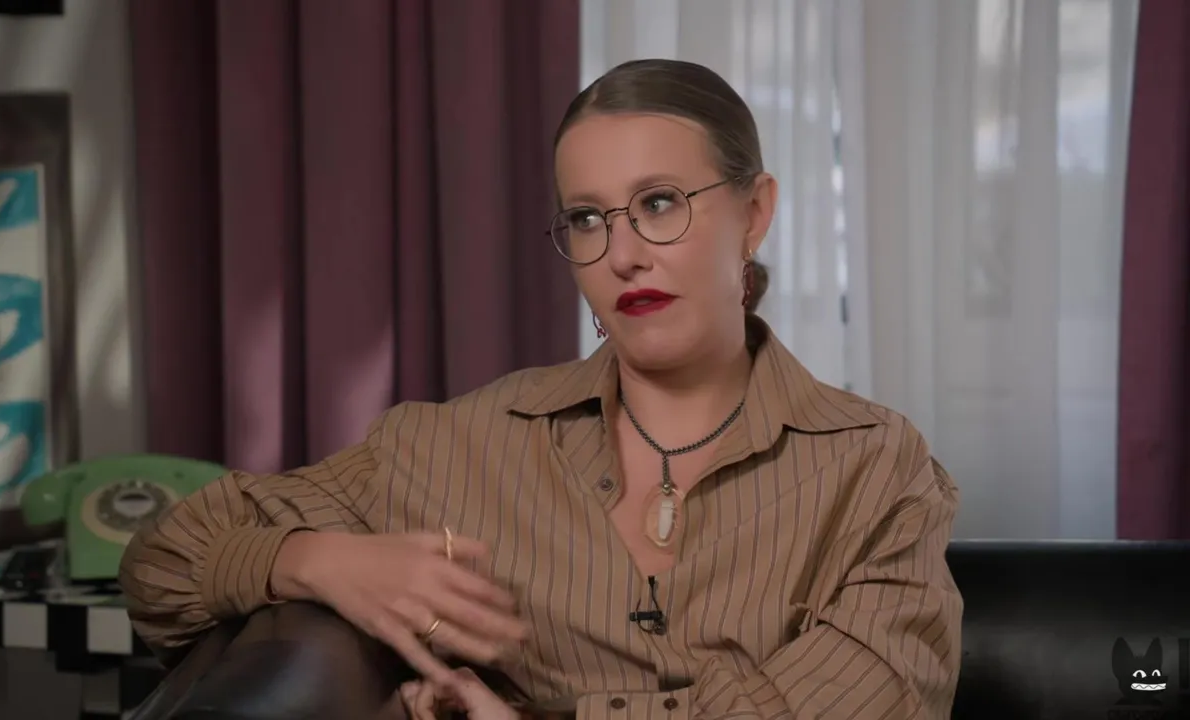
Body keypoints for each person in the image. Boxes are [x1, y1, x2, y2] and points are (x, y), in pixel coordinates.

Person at [119, 58, 963, 720]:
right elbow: (162, 568)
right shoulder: (456, 445)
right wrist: (315, 560)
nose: (622, 255)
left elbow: (868, 706)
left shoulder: (876, 465)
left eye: (659, 203)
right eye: (588, 219)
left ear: (755, 213)